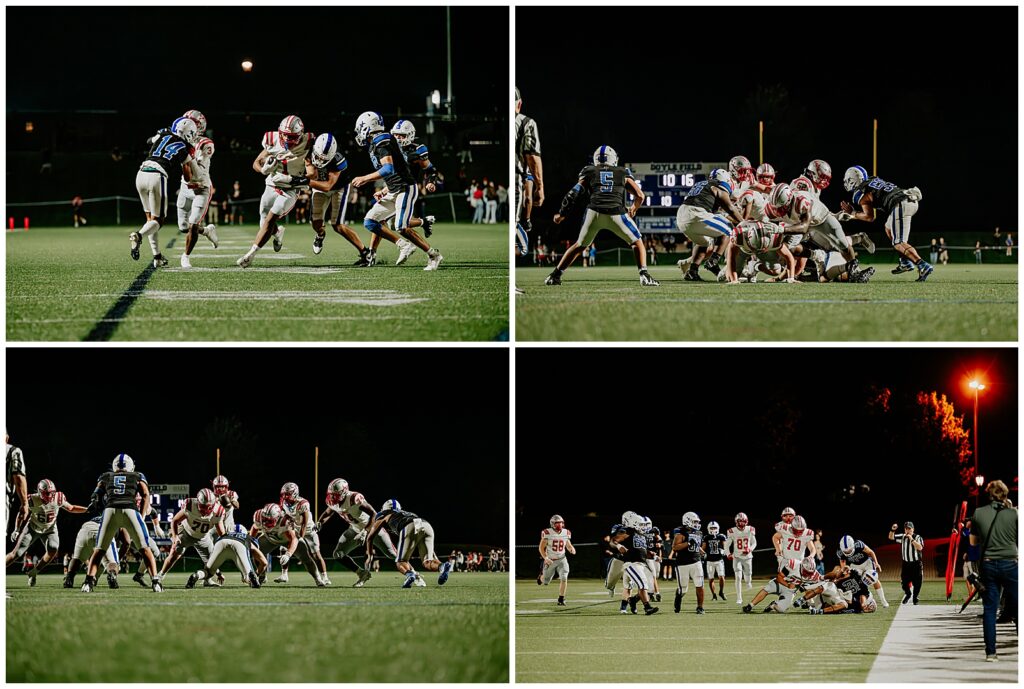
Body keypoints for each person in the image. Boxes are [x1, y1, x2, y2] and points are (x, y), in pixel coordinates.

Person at [546, 145, 659, 287]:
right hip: (616, 213)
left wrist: (562, 214)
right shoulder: (622, 171)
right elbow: (640, 195)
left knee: (580, 245)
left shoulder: (589, 171)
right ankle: (644, 275)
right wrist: (633, 208)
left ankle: (555, 275)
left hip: (594, 213)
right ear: (614, 159)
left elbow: (573, 194)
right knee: (637, 242)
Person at [351, 112, 443, 270]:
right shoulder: (377, 143)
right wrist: (385, 190)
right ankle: (402, 245)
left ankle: (434, 255)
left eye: (360, 129)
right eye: (397, 135)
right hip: (394, 189)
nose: (399, 138)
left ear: (368, 127)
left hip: (406, 188)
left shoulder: (382, 141)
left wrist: (365, 178)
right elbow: (394, 172)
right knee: (370, 221)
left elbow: (388, 169)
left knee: (400, 226)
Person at [237, 115, 311, 268]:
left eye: (291, 136)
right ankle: (277, 233)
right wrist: (263, 169)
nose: (287, 138)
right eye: (285, 134)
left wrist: (303, 178)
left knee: (270, 219)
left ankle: (251, 255)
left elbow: (313, 171)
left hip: (290, 189)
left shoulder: (309, 141)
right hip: (272, 184)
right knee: (264, 223)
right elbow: (256, 163)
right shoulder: (271, 139)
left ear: (300, 135)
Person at [81, 454, 161, 593]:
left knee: (99, 550)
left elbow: (95, 495)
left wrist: (94, 503)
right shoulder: (137, 475)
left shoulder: (106, 476)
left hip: (110, 510)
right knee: (145, 548)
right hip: (130, 510)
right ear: (130, 466)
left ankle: (88, 582)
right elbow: (146, 494)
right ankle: (156, 582)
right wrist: (141, 516)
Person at [839, 166, 932, 281]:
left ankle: (922, 265)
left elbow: (869, 217)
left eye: (848, 180)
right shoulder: (873, 180)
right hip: (908, 199)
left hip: (900, 204)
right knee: (888, 228)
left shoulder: (861, 192)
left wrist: (853, 213)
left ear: (853, 180)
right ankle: (905, 262)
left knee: (899, 243)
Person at [130, 117, 198, 268]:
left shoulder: (163, 135)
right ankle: (138, 235)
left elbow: (149, 140)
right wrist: (188, 161)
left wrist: (162, 134)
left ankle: (157, 257)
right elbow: (187, 177)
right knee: (158, 220)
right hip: (157, 175)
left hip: (141, 172)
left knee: (150, 219)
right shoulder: (183, 147)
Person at [304, 132, 372, 265]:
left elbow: (328, 186)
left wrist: (303, 181)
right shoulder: (308, 149)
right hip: (318, 185)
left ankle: (365, 253)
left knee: (338, 225)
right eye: (318, 157)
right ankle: (320, 234)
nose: (321, 161)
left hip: (338, 187)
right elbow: (311, 174)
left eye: (325, 159)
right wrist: (303, 178)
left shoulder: (339, 159)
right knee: (315, 222)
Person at [316, 477, 397, 587]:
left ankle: (413, 574)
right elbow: (328, 512)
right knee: (338, 554)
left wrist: (365, 532)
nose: (333, 497)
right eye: (332, 494)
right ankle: (362, 573)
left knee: (393, 554)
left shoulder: (354, 498)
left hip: (373, 528)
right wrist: (320, 522)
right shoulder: (331, 500)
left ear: (344, 491)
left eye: (335, 494)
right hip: (354, 529)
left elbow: (374, 514)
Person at [970, 480, 1018, 662]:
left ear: (988, 494)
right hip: (1010, 563)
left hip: (989, 564)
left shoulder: (979, 513)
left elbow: (973, 542)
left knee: (990, 609)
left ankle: (991, 653)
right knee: (1018, 605)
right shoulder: (1014, 513)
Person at [6, 479, 88, 586]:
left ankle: (34, 572)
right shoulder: (32, 499)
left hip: (50, 529)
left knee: (53, 548)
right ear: (40, 491)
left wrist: (87, 509)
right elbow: (22, 513)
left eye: (52, 493)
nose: (50, 496)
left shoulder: (58, 497)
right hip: (33, 528)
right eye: (47, 493)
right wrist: (17, 529)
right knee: (17, 553)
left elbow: (71, 508)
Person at [364, 499, 452, 588]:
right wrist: (433, 557)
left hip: (409, 526)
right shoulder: (406, 513)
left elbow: (370, 536)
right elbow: (417, 526)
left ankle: (410, 575)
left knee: (400, 562)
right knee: (427, 562)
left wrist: (369, 555)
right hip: (425, 524)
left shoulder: (383, 514)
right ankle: (442, 566)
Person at [515, 87, 544, 263]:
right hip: (517, 175)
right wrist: (540, 187)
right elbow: (532, 156)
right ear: (519, 104)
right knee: (516, 233)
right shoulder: (525, 123)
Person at [537, 514, 576, 605]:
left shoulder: (566, 533)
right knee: (546, 581)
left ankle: (561, 599)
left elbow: (568, 544)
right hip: (550, 560)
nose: (560, 525)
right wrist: (545, 558)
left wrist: (571, 549)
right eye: (557, 523)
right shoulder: (547, 532)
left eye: (561, 523)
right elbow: (541, 548)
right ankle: (541, 577)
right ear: (552, 524)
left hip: (562, 559)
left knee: (564, 577)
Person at [671, 511, 705, 614]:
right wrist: (688, 543)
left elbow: (696, 545)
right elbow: (675, 547)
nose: (696, 524)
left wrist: (701, 551)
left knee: (700, 584)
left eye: (697, 522)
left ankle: (700, 607)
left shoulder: (699, 532)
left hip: (696, 562)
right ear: (687, 521)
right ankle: (678, 597)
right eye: (694, 521)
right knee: (683, 589)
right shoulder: (680, 532)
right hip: (683, 564)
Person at [888, 520, 924, 604]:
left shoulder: (918, 537)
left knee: (917, 583)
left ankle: (915, 597)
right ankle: (908, 594)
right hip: (906, 564)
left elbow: (920, 548)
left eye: (909, 529)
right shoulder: (903, 536)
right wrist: (893, 530)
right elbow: (891, 537)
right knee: (904, 582)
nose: (908, 530)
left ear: (913, 529)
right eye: (906, 529)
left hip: (916, 564)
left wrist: (911, 539)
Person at [724, 512, 756, 603]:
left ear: (746, 521)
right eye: (740, 521)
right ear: (736, 522)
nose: (741, 523)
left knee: (748, 575)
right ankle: (739, 598)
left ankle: (748, 582)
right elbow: (727, 545)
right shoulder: (732, 531)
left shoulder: (750, 529)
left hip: (748, 557)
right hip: (737, 557)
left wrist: (750, 549)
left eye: (743, 521)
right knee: (738, 577)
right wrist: (728, 554)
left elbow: (754, 543)